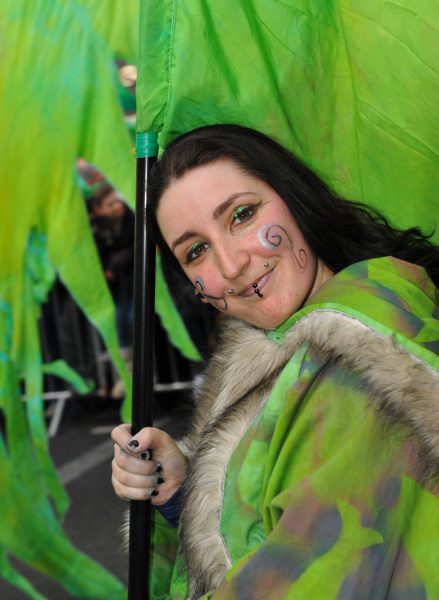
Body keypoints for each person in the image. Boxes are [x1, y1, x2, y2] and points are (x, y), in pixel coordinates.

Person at [111, 124, 439, 599]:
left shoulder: (358, 373)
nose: (229, 265)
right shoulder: (288, 351)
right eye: (196, 250)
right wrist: (190, 492)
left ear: (295, 197)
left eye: (241, 215)